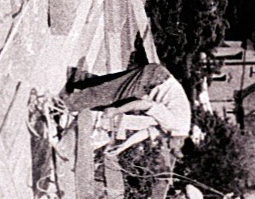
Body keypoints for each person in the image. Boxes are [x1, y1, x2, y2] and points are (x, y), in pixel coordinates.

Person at [62, 61, 191, 155]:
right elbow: (145, 104)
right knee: (111, 96)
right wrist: (116, 111)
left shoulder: (176, 131)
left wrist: (122, 147)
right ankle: (64, 105)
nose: (167, 148)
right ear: (180, 143)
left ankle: (76, 77)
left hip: (155, 80)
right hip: (154, 78)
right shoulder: (175, 124)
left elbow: (146, 132)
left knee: (113, 88)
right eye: (172, 149)